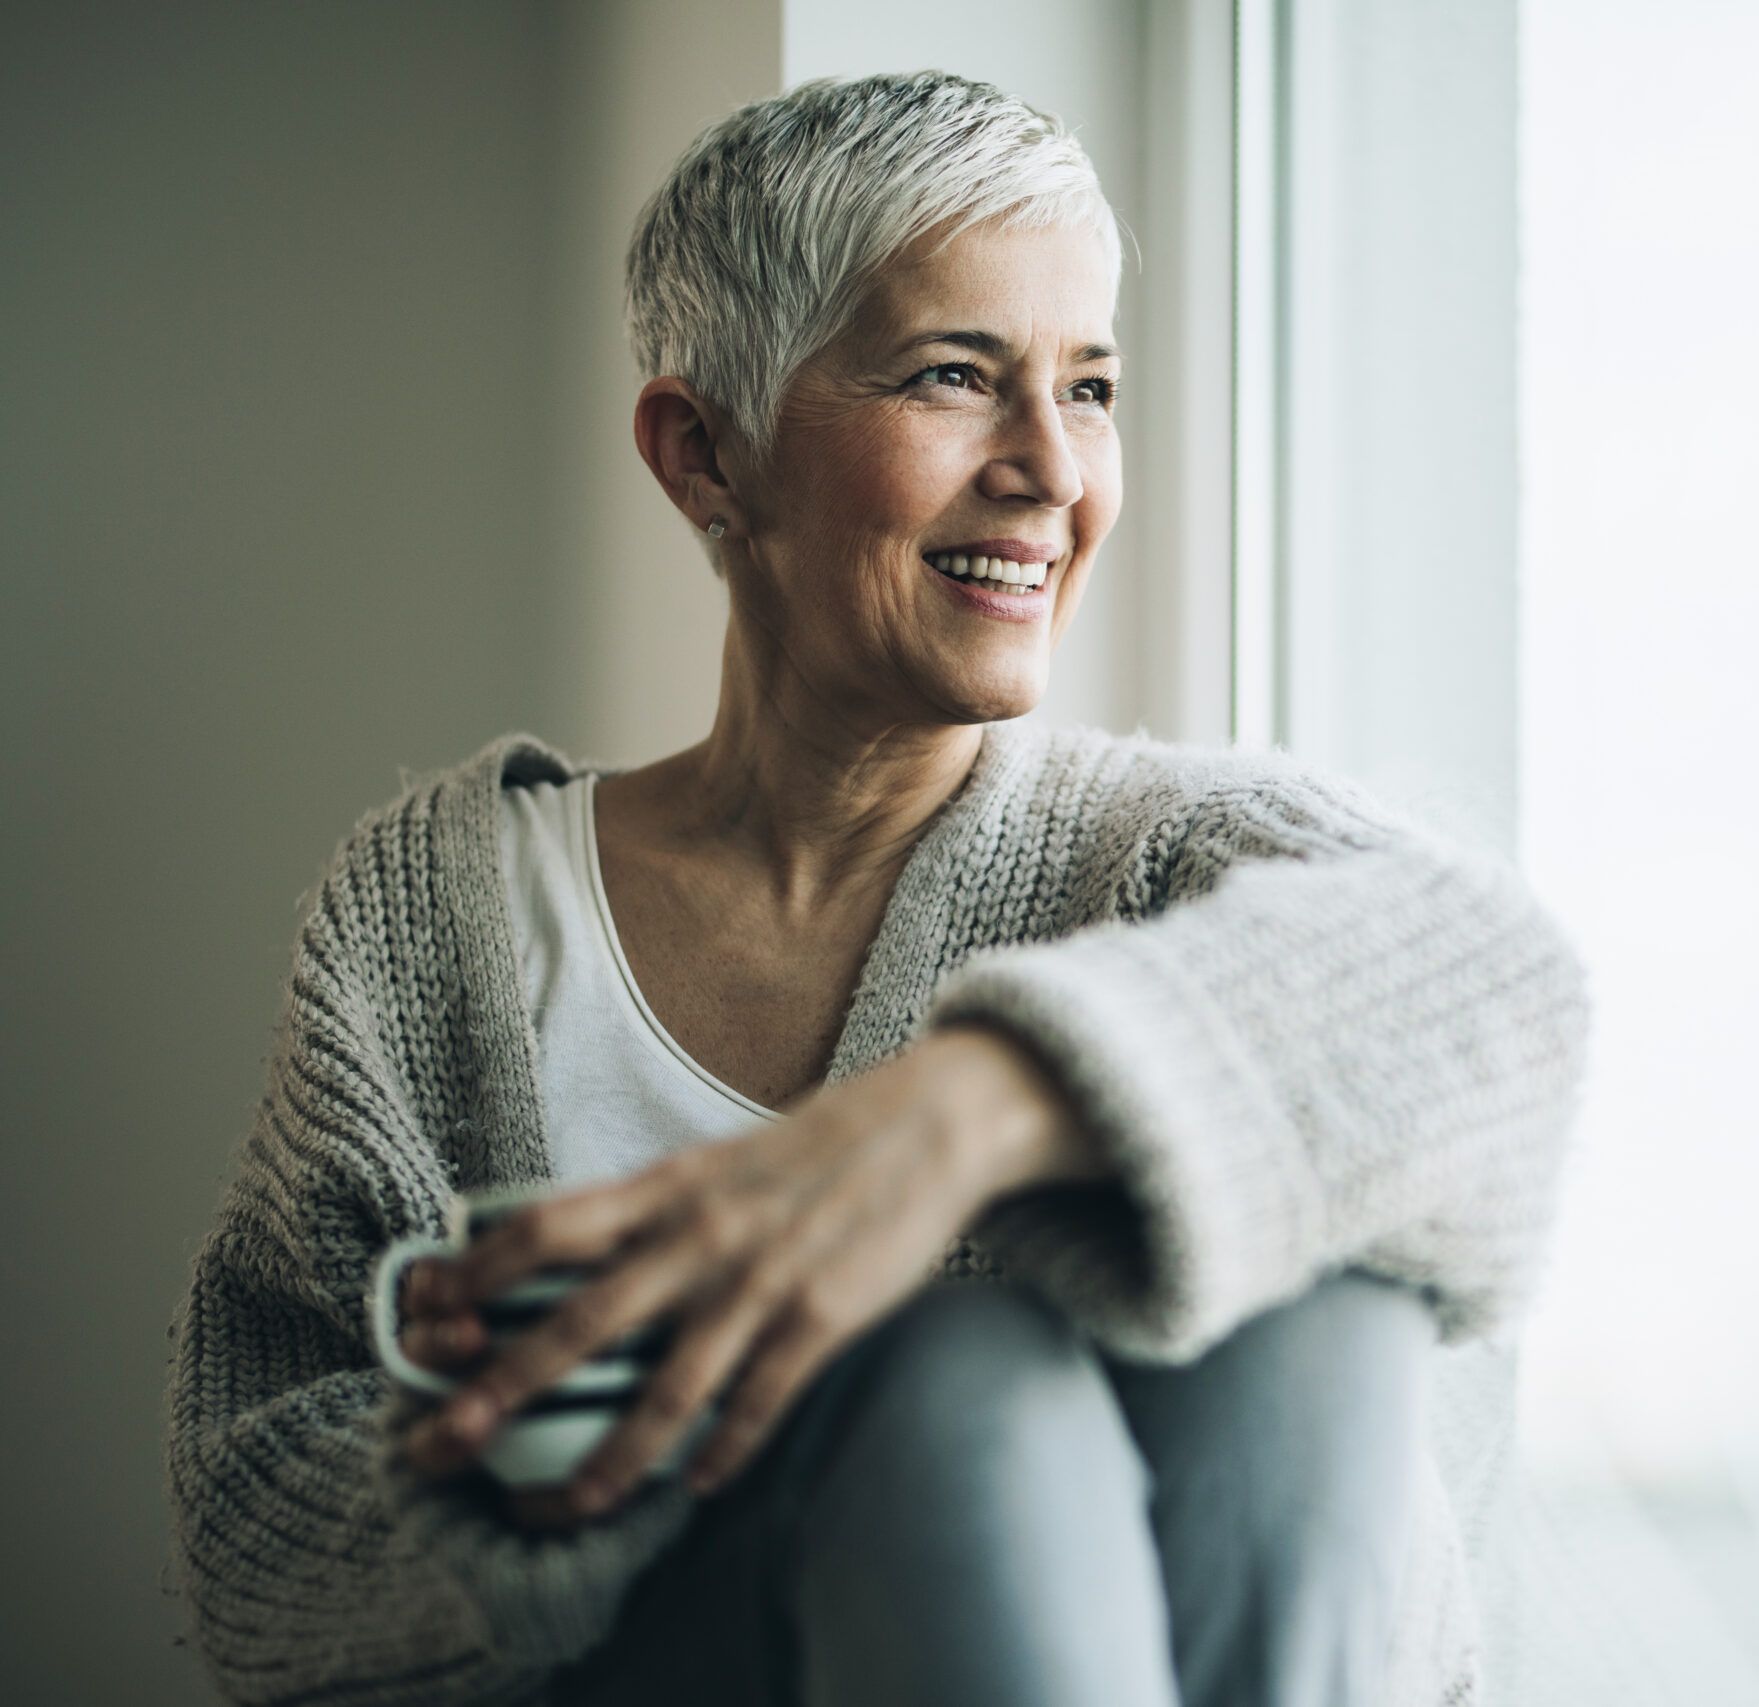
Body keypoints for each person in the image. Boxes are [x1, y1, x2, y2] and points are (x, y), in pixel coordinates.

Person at [161, 70, 1592, 1707]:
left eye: (1093, 387)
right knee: (957, 1380)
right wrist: (705, 1421)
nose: (1053, 469)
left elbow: (1498, 984)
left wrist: (949, 1125)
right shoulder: (439, 914)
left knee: (1315, 1327)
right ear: (707, 452)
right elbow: (254, 1526)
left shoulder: (1167, 859)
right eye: (953, 377)